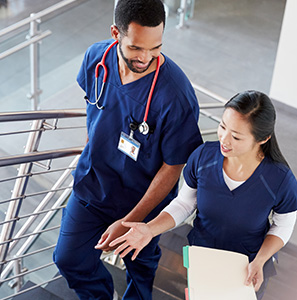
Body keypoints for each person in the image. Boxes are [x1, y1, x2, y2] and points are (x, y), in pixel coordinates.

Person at [52, 0, 203, 299]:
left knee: (140, 265)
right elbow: (94, 108)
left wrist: (130, 221)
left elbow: (173, 166)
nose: (145, 57)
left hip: (143, 201)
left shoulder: (175, 95)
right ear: (115, 33)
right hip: (93, 187)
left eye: (155, 47)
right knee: (67, 259)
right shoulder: (96, 59)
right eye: (136, 48)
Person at [110, 90, 297, 299]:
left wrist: (261, 260)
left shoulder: (280, 180)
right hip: (202, 256)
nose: (224, 140)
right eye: (222, 127)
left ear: (263, 139)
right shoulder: (203, 157)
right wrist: (149, 229)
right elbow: (184, 204)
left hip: (247, 266)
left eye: (236, 136)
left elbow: (283, 224)